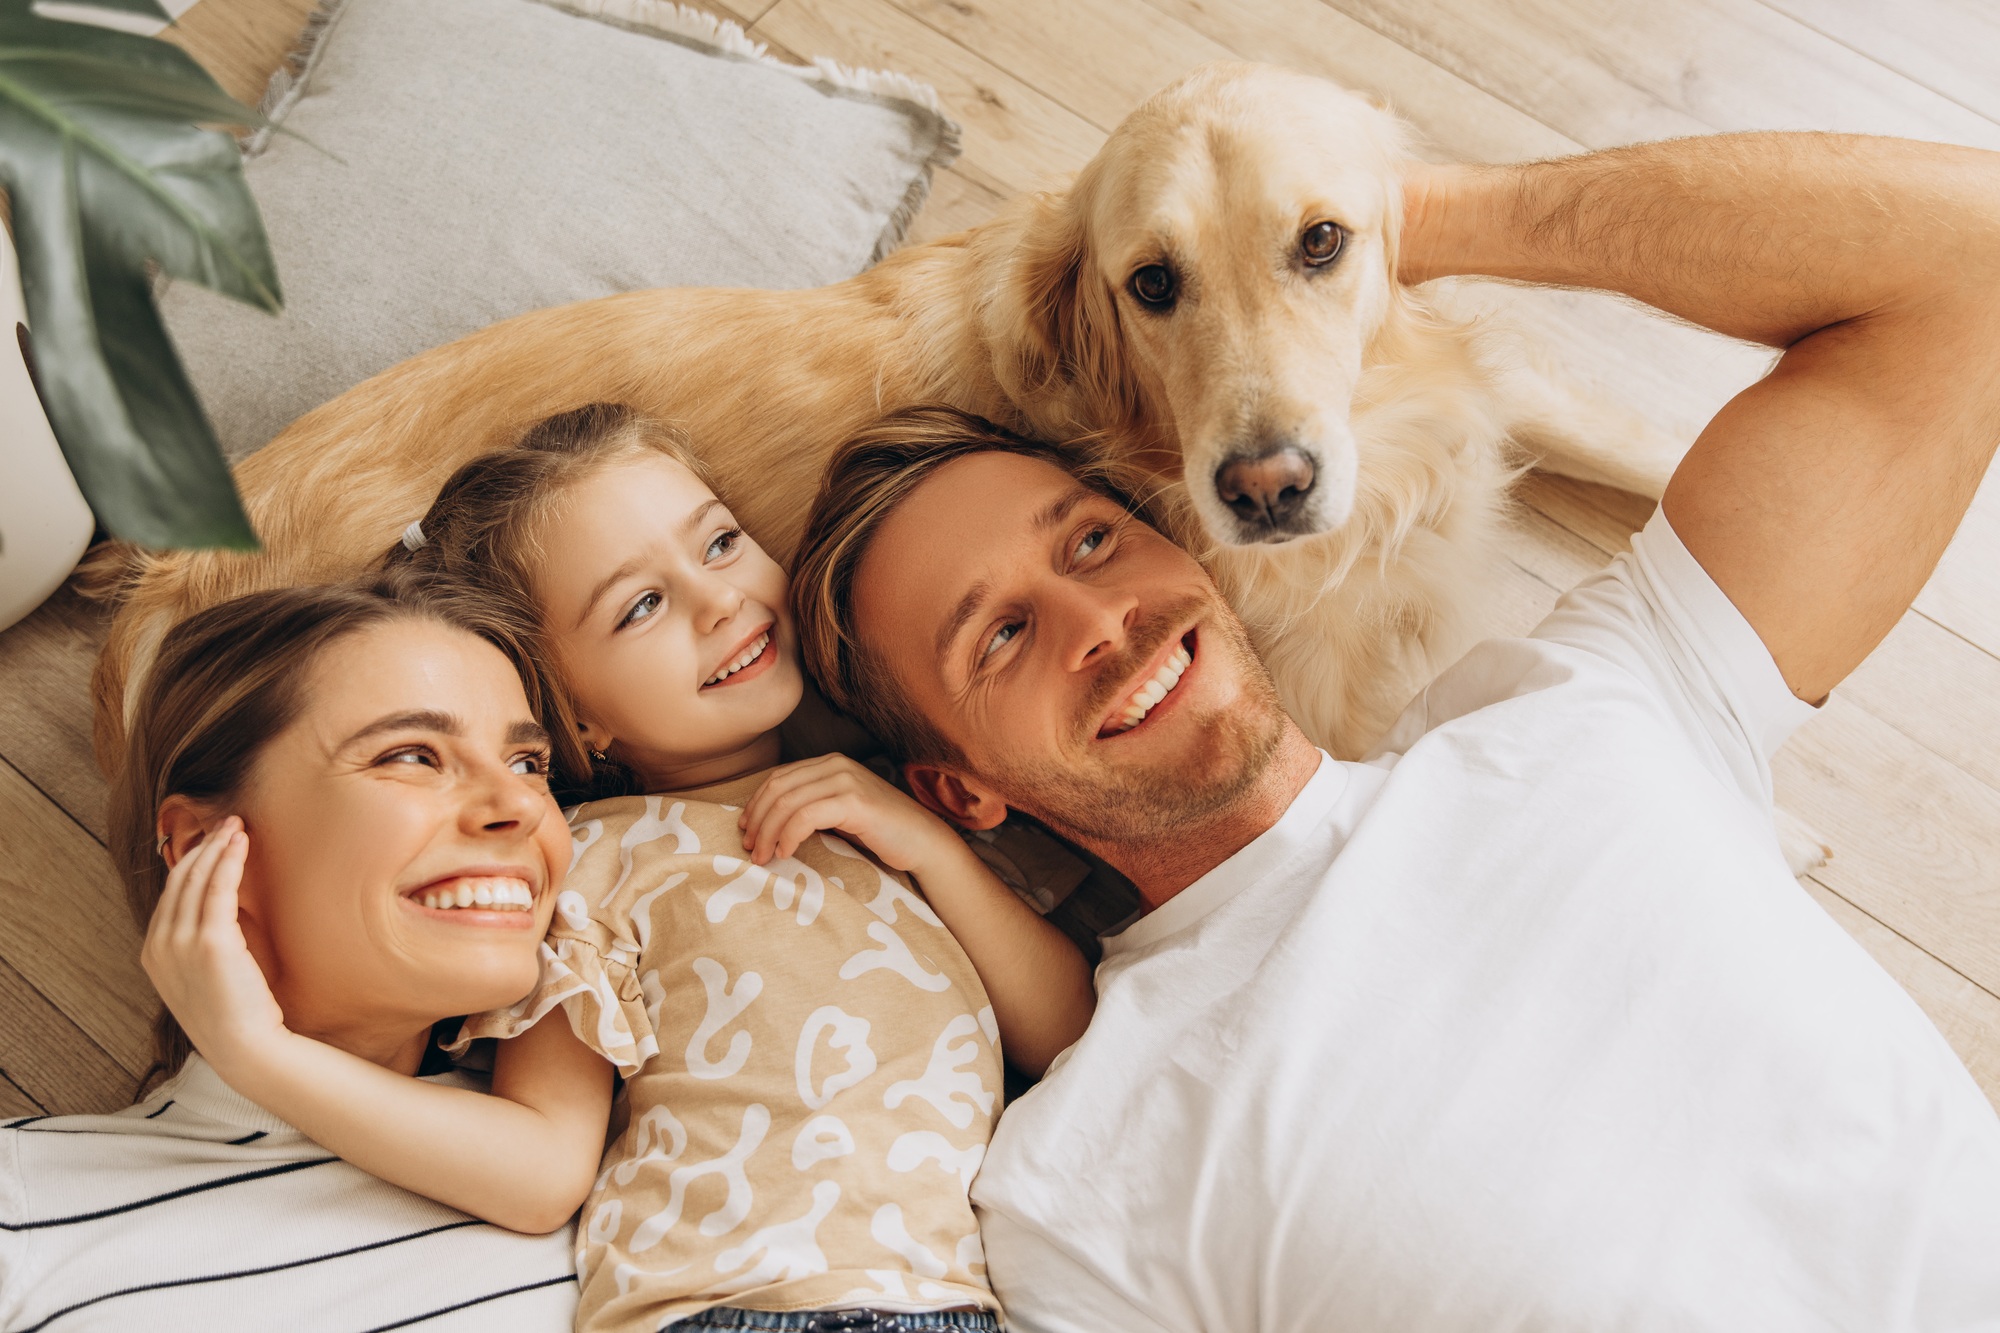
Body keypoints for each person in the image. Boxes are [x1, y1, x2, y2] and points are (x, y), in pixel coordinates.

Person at [785, 132, 2000, 1329]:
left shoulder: (1581, 709)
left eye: (1092, 542)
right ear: (961, 792)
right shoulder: (1074, 1187)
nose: (1096, 620)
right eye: (999, 637)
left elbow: (1969, 251)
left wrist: (1395, 216)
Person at [143, 405, 1096, 1332]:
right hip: (727, 1304)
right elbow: (542, 1167)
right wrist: (263, 1055)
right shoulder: (590, 863)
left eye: (720, 542)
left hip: (947, 1305)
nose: (720, 600)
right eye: (642, 606)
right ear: (575, 718)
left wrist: (927, 847)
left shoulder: (919, 800)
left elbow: (1071, 1036)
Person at [0, 576, 580, 1331]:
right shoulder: (23, 1198)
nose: (523, 805)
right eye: (412, 755)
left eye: (529, 764)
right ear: (205, 847)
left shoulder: (640, 1114)